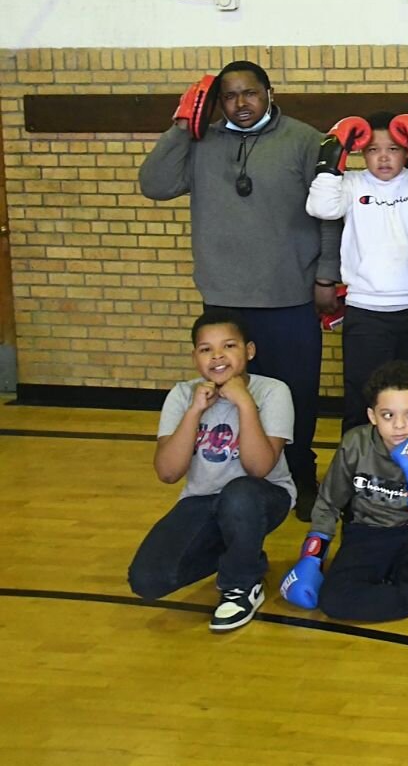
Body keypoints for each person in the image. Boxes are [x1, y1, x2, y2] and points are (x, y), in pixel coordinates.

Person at [139, 61, 340, 521]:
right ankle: (237, 476)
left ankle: (300, 475)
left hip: (288, 293)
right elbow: (154, 184)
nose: (240, 104)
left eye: (250, 93)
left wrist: (327, 274)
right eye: (229, 96)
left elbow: (331, 213)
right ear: (217, 102)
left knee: (296, 394)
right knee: (231, 395)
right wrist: (181, 125)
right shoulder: (201, 142)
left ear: (269, 91)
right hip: (225, 299)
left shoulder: (305, 140)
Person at [278, 360, 408, 622]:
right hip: (368, 533)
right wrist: (312, 556)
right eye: (388, 415)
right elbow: (329, 502)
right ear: (372, 416)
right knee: (334, 601)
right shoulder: (355, 444)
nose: (399, 425)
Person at [127, 310, 295, 632]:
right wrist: (194, 411)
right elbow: (167, 472)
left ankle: (242, 584)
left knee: (239, 493)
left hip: (261, 496)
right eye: (206, 349)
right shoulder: (181, 394)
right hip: (202, 500)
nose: (217, 356)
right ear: (195, 357)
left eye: (229, 346)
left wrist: (245, 404)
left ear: (249, 351)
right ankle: (239, 550)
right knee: (147, 580)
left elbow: (259, 468)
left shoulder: (273, 391)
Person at [306, 111, 408, 433]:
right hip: (367, 310)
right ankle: (358, 474)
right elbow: (321, 207)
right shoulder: (352, 184)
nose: (383, 157)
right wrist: (332, 152)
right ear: (361, 152)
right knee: (363, 395)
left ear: (407, 151)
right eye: (373, 149)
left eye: (393, 149)